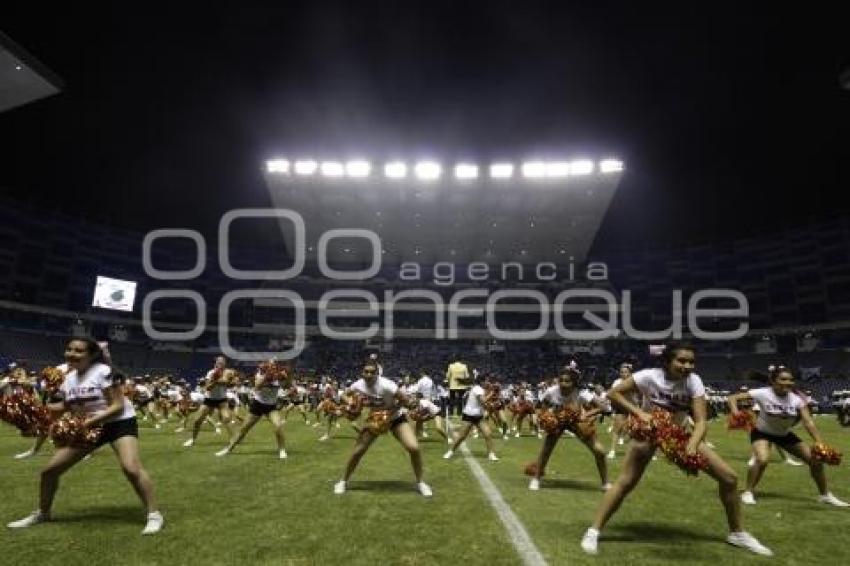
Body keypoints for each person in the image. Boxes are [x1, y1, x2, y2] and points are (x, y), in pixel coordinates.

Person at [580, 343, 772, 556]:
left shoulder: (694, 381)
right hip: (649, 433)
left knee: (729, 478)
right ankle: (593, 531)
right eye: (681, 360)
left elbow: (700, 421)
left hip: (678, 436)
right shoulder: (649, 376)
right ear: (667, 362)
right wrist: (640, 414)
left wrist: (691, 445)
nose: (687, 365)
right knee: (626, 482)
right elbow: (614, 394)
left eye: (691, 361)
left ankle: (737, 533)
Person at [7, 337, 163, 535]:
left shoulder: (103, 372)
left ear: (91, 355)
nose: (72, 353)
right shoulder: (68, 379)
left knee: (131, 468)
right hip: (89, 427)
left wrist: (85, 423)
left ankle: (154, 514)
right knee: (50, 471)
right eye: (69, 349)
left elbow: (117, 406)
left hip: (119, 422)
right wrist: (33, 411)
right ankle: (43, 513)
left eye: (79, 351)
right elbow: (66, 406)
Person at [727, 365, 849, 507]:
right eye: (783, 379)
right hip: (762, 432)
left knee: (815, 460)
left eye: (790, 380)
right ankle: (747, 492)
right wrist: (736, 413)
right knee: (762, 459)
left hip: (784, 435)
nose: (788, 382)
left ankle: (825, 495)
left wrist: (819, 442)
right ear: (773, 381)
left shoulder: (796, 399)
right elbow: (732, 398)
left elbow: (808, 421)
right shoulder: (762, 393)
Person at [333, 363, 432, 497]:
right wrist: (351, 403)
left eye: (372, 372)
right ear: (362, 372)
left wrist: (390, 413)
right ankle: (343, 481)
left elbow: (405, 400)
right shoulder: (358, 384)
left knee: (414, 448)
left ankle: (421, 483)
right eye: (366, 372)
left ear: (377, 373)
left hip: (396, 419)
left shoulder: (387, 385)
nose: (368, 374)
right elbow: (344, 395)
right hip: (374, 420)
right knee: (358, 451)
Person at [529, 363, 609, 491]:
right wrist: (544, 417)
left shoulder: (581, 392)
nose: (562, 383)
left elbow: (602, 407)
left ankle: (605, 483)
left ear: (574, 382)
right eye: (560, 380)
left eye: (567, 381)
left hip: (576, 421)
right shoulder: (551, 391)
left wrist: (586, 415)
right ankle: (536, 479)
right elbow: (539, 405)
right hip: (557, 421)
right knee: (546, 450)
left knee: (599, 451)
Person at [215, 361, 289, 459]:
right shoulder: (259, 374)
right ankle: (228, 449)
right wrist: (267, 376)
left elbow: (286, 385)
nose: (272, 367)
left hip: (271, 406)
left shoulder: (278, 376)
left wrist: (285, 377)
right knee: (243, 429)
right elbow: (257, 386)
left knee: (278, 426)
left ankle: (282, 450)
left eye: (274, 366)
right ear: (267, 367)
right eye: (270, 366)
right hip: (258, 404)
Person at [443, 375, 498, 462]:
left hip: (479, 416)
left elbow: (482, 403)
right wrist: (492, 394)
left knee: (488, 434)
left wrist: (488, 407)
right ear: (482, 381)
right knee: (462, 436)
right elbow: (483, 400)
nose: (489, 382)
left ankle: (491, 454)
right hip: (469, 415)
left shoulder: (481, 389)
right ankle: (450, 451)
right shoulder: (477, 389)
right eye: (487, 381)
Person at [183, 356, 234, 447]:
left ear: (225, 363)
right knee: (197, 420)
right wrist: (215, 381)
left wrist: (229, 381)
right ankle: (192, 440)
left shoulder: (228, 372)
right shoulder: (210, 372)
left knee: (226, 418)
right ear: (216, 363)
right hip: (209, 399)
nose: (221, 363)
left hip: (222, 400)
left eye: (223, 361)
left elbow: (230, 385)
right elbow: (208, 388)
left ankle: (232, 440)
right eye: (219, 362)